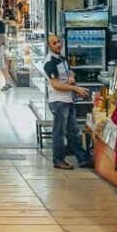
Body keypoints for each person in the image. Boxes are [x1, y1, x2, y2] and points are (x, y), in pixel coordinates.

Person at [43, 34, 93, 170]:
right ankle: (58, 160)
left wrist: (71, 77)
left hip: (68, 100)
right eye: (54, 43)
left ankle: (83, 158)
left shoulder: (63, 59)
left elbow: (70, 73)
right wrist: (75, 88)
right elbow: (56, 85)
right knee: (59, 132)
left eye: (59, 41)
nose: (58, 44)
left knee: (73, 131)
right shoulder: (49, 62)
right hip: (58, 101)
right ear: (49, 46)